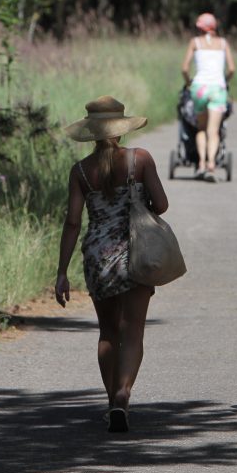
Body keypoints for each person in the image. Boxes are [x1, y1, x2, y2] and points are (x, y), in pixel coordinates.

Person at [55, 96, 169, 433]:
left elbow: (73, 222)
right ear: (121, 127)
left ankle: (110, 402)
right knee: (132, 330)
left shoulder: (80, 172)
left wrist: (62, 272)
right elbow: (161, 204)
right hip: (136, 252)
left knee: (107, 332)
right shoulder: (140, 160)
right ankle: (123, 395)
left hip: (98, 256)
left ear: (91, 131)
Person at [180, 12, 235, 182]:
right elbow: (232, 69)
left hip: (199, 88)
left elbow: (184, 68)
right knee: (214, 131)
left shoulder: (195, 42)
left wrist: (189, 82)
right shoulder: (223, 43)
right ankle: (212, 163)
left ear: (199, 27)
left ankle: (201, 163)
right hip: (217, 88)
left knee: (201, 129)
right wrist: (224, 81)